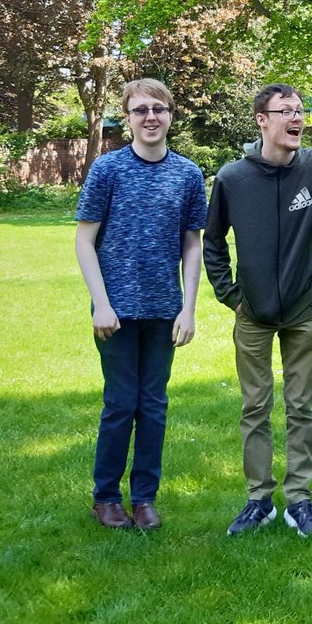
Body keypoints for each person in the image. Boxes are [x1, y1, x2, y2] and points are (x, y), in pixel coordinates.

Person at [204, 84, 312, 538]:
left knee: (301, 407)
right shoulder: (232, 178)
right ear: (261, 120)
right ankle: (258, 500)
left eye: (300, 110)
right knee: (255, 407)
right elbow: (212, 243)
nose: (296, 118)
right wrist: (231, 296)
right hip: (253, 313)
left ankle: (300, 501)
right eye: (284, 111)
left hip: (303, 312)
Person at [75, 78, 207, 530]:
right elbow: (84, 240)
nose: (150, 117)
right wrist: (100, 304)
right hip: (115, 313)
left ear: (171, 115)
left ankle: (145, 497)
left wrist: (188, 308)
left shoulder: (188, 174)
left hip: (163, 311)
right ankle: (106, 497)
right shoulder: (107, 170)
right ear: (127, 118)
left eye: (159, 109)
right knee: (119, 404)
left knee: (153, 405)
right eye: (140, 110)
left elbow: (192, 246)